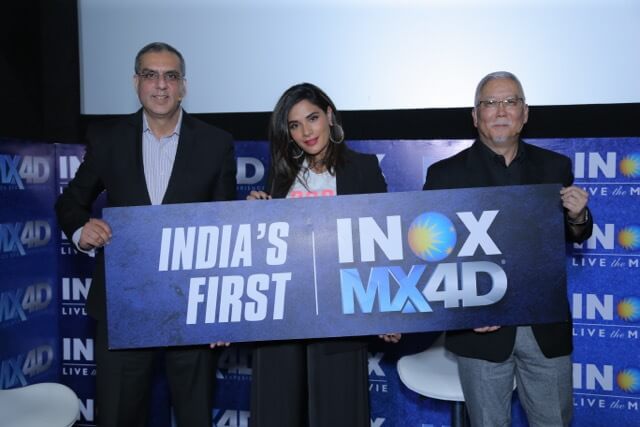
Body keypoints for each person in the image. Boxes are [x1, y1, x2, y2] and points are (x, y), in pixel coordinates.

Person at [55, 42, 236, 427]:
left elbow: (225, 228)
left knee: (194, 417)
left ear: (183, 86)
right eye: (150, 75)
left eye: (170, 76)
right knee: (118, 415)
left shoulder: (216, 143)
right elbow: (70, 202)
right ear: (136, 82)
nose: (161, 85)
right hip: (123, 302)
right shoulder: (108, 138)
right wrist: (81, 229)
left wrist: (220, 312)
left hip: (192, 305)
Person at [423, 71, 593, 427]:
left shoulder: (555, 167)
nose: (501, 111)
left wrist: (578, 216)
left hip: (544, 328)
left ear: (524, 113)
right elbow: (430, 259)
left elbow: (573, 234)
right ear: (475, 116)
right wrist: (467, 311)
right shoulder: (444, 176)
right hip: (480, 331)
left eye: (510, 102)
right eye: (490, 103)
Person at [247, 82, 399, 427]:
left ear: (330, 116)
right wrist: (255, 216)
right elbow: (269, 250)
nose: (306, 132)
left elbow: (381, 243)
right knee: (276, 414)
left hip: (341, 315)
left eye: (312, 118)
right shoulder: (282, 174)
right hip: (283, 317)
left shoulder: (362, 168)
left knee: (338, 414)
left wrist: (387, 309)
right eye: (295, 125)